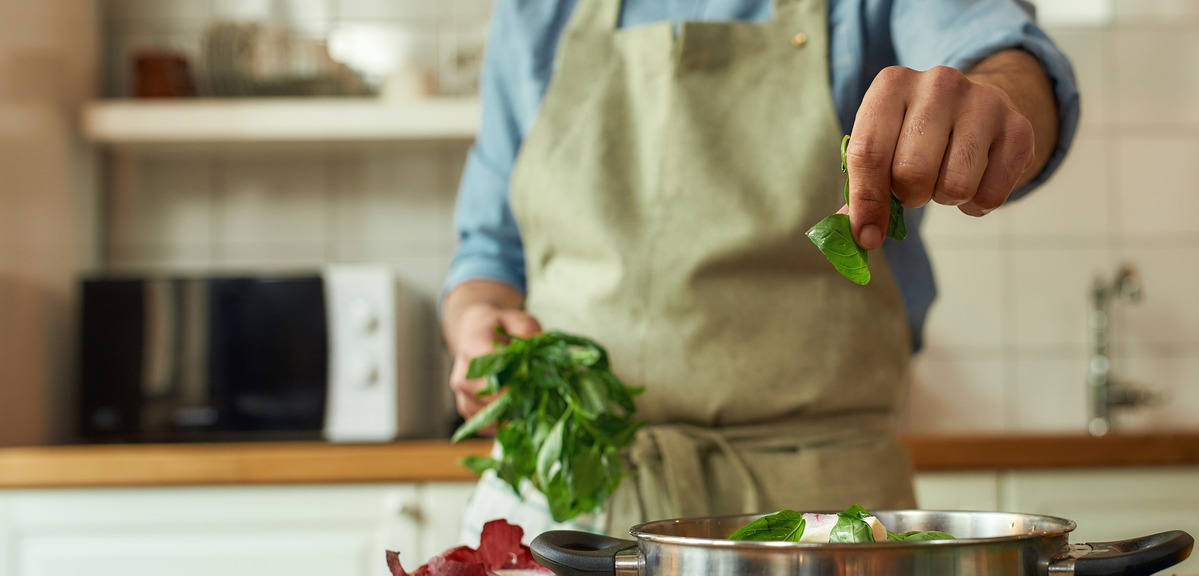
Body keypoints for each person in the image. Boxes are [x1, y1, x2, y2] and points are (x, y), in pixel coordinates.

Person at [444, 0, 1079, 543]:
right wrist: (478, 320)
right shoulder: (533, 12)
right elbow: (490, 256)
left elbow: (1009, 60)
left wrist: (993, 101)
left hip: (824, 519)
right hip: (567, 506)